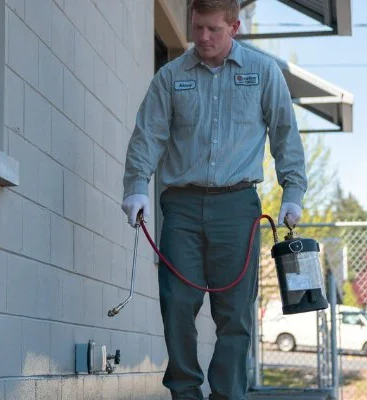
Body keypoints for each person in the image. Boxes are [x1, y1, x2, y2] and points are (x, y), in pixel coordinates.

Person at [120, 0, 307, 398]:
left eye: (213, 30)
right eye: (197, 27)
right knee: (177, 304)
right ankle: (185, 392)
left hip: (238, 208)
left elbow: (285, 135)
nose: (202, 37)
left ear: (234, 26)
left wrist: (293, 191)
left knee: (235, 313)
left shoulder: (263, 74)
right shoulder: (170, 78)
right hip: (182, 207)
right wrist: (137, 185)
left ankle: (227, 394)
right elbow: (148, 135)